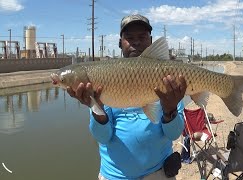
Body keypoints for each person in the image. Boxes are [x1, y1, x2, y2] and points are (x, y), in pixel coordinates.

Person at [67, 14, 187, 180]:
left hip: (159, 172)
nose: (136, 42)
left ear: (151, 41)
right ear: (120, 43)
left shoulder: (168, 78)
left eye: (142, 37)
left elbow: (174, 135)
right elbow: (102, 137)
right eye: (129, 38)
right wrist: (98, 111)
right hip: (114, 176)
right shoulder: (105, 77)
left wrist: (170, 110)